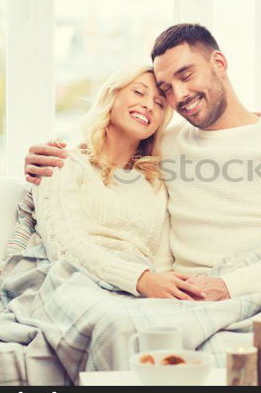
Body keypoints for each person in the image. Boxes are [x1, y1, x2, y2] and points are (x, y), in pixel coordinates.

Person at [25, 24, 261, 301]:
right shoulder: (166, 143)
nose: (180, 95)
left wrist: (229, 287)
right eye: (167, 89)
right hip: (189, 293)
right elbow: (107, 159)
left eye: (186, 75)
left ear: (219, 64)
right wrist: (47, 158)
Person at [31, 65, 204, 300]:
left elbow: (162, 261)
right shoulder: (62, 163)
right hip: (73, 281)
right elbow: (63, 243)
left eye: (159, 103)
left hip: (138, 292)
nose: (148, 105)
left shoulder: (155, 184)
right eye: (138, 92)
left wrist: (167, 294)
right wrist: (139, 279)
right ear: (112, 96)